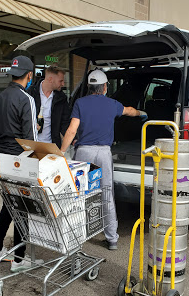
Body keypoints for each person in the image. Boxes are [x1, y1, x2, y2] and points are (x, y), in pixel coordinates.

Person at [60, 69, 146, 250]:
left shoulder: (80, 103)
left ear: (90, 87)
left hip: (84, 153)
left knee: (81, 195)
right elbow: (129, 111)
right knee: (106, 194)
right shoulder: (112, 104)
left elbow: (72, 130)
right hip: (103, 154)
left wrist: (61, 152)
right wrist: (142, 113)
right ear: (105, 87)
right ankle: (112, 238)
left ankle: (77, 235)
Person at [0, 55, 43, 271]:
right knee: (23, 208)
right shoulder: (26, 99)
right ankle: (19, 260)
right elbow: (31, 141)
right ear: (29, 75)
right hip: (20, 162)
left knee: (10, 205)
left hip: (2, 160)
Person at [29, 66, 71, 148]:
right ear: (50, 79)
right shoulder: (30, 93)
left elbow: (65, 123)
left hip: (52, 146)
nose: (63, 84)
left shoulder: (61, 98)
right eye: (60, 81)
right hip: (32, 146)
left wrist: (74, 139)